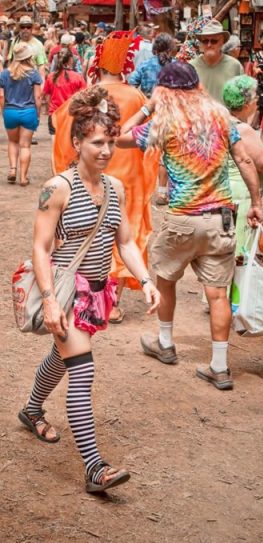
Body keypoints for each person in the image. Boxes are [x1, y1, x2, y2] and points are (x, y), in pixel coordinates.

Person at [19, 86, 160, 493]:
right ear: (77, 142)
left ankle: (31, 410)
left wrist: (147, 281)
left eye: (110, 141)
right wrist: (48, 299)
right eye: (97, 142)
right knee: (82, 370)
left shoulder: (115, 188)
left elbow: (126, 242)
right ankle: (95, 467)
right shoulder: (57, 189)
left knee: (62, 358)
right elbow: (41, 248)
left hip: (98, 291)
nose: (105, 149)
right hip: (66, 291)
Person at [115, 60, 263, 391]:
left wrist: (148, 106)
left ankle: (165, 344)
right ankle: (220, 367)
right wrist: (256, 203)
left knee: (165, 280)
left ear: (164, 91)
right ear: (198, 86)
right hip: (220, 221)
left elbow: (121, 136)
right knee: (217, 294)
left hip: (182, 218)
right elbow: (245, 159)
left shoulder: (163, 122)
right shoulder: (222, 117)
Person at [55, 31, 157, 325]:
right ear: (126, 64)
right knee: (125, 234)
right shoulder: (136, 96)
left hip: (88, 176)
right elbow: (146, 138)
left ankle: (85, 294)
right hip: (128, 179)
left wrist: (66, 170)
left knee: (87, 231)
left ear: (96, 64)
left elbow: (62, 128)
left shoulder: (83, 97)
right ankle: (113, 303)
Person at [221, 75, 263, 259]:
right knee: (239, 250)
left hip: (222, 190)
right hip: (242, 193)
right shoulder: (243, 129)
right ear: (246, 102)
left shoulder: (220, 122)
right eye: (256, 97)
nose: (258, 101)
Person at [0, 43, 42, 186]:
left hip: (10, 111)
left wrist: (3, 110)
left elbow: (1, 96)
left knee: (13, 142)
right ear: (29, 57)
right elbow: (38, 97)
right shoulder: (33, 73)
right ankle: (23, 177)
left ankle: (12, 170)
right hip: (28, 111)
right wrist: (38, 113)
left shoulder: (5, 73)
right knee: (25, 146)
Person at [189, 19, 243, 107]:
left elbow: (241, 99)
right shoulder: (191, 67)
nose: (209, 45)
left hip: (226, 119)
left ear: (222, 42)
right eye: (205, 41)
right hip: (199, 119)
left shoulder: (235, 66)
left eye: (214, 41)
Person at [42, 48, 85, 135]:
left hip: (54, 114)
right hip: (71, 114)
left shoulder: (51, 77)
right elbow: (83, 96)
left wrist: (49, 108)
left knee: (55, 144)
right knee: (69, 143)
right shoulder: (78, 77)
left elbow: (46, 96)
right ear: (70, 60)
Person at [129, 33, 174, 98]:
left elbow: (131, 84)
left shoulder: (145, 65)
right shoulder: (177, 65)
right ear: (170, 48)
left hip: (148, 104)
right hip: (170, 105)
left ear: (155, 47)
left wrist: (142, 98)